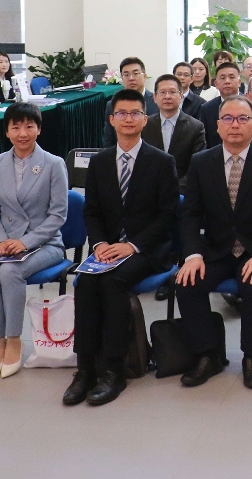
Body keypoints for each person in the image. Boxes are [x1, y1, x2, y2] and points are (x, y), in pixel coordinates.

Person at [63, 90, 179, 407]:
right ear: (112, 120)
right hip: (108, 248)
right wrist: (100, 244)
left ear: (145, 119)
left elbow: (168, 215)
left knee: (113, 282)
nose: (129, 119)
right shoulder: (100, 162)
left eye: (135, 113)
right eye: (122, 113)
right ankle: (85, 369)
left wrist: (132, 246)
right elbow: (92, 212)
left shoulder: (162, 162)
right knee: (86, 282)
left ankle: (114, 370)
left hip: (148, 250)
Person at [174, 95, 252, 389]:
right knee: (187, 283)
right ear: (218, 126)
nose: (235, 125)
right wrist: (193, 255)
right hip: (216, 250)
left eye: (242, 119)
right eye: (228, 119)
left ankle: (251, 358)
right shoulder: (202, 162)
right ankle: (207, 354)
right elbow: (190, 215)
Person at [0, 103, 69, 379]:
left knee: (10, 271)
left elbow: (58, 215)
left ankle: (15, 340)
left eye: (29, 126)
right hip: (4, 243)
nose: (22, 133)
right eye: (15, 127)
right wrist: (0, 240)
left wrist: (26, 241)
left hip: (46, 243)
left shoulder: (54, 164)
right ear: (7, 131)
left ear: (39, 129)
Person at [141, 73, 207, 189]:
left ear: (181, 96)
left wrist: (176, 189)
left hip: (182, 191)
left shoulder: (195, 127)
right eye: (162, 92)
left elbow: (197, 165)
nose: (167, 96)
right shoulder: (144, 125)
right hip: (149, 189)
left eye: (172, 92)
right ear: (155, 97)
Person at [103, 57, 158, 146]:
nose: (131, 78)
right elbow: (109, 139)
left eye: (135, 73)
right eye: (126, 75)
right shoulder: (112, 105)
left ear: (144, 77)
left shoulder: (157, 102)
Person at [198, 61, 243, 149]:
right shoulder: (206, 109)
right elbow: (204, 140)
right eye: (222, 78)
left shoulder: (250, 105)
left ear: (239, 82)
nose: (227, 81)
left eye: (231, 77)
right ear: (216, 84)